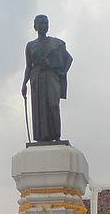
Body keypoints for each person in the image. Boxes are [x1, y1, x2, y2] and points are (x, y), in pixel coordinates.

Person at [21, 14, 73, 143]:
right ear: (35, 27)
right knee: (39, 106)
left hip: (51, 76)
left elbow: (69, 59)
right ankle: (42, 137)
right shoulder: (30, 45)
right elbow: (28, 66)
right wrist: (24, 84)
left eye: (46, 23)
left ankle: (56, 135)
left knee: (53, 104)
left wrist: (63, 72)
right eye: (41, 23)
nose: (44, 26)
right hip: (36, 77)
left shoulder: (56, 44)